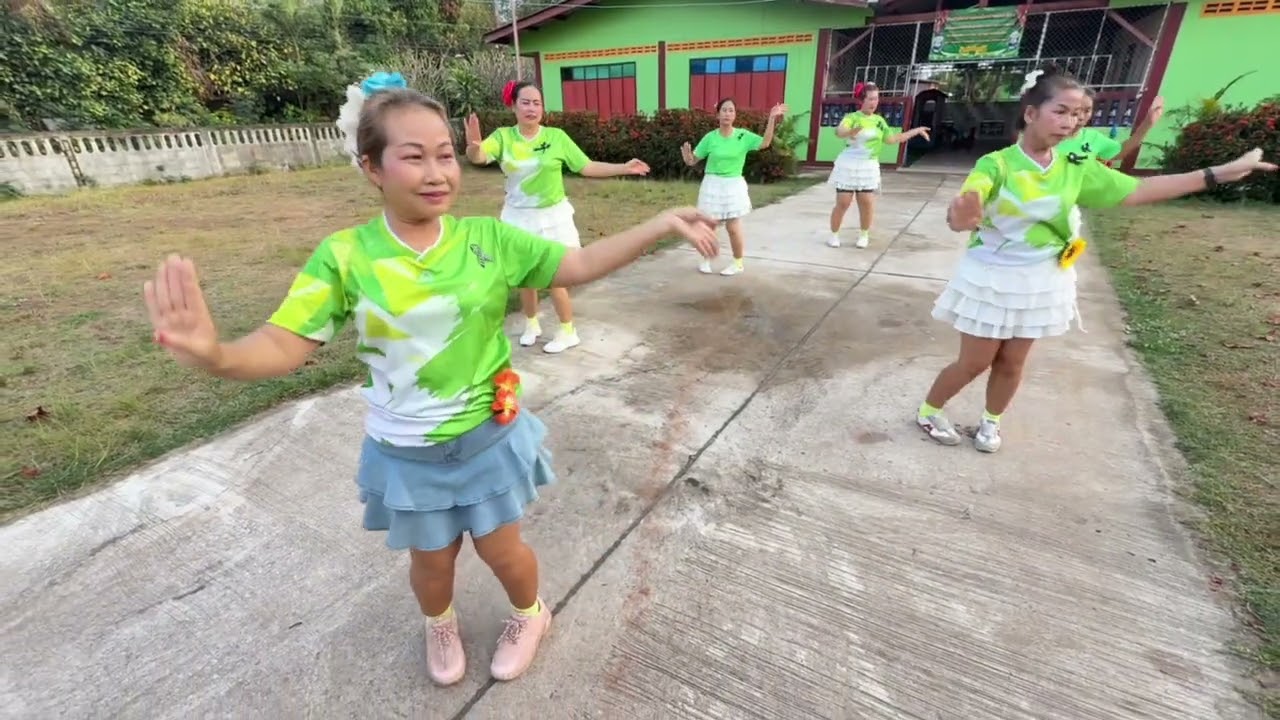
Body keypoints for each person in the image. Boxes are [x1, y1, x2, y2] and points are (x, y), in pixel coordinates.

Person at [142, 72, 719, 686]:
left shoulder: (487, 239)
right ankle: (438, 622)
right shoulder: (345, 256)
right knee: (432, 563)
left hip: (486, 438)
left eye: (445, 155)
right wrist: (217, 356)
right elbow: (285, 342)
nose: (437, 172)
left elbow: (574, 264)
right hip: (406, 449)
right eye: (413, 157)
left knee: (504, 552)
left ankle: (532, 614)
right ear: (372, 167)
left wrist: (658, 224)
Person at [917, 65, 1274, 453]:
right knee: (975, 362)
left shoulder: (1076, 166)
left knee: (1013, 363)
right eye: (1062, 111)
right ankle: (929, 410)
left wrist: (1218, 173)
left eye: (1079, 114)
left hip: (1044, 279)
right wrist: (962, 216)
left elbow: (1138, 189)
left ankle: (990, 422)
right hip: (992, 279)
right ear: (1031, 113)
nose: (1070, 122)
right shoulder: (997, 165)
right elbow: (967, 205)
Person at [464, 81, 650, 354]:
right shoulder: (503, 137)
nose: (531, 108)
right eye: (525, 102)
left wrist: (623, 167)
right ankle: (532, 324)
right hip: (518, 217)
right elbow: (479, 157)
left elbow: (585, 166)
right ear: (513, 106)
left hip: (553, 216)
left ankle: (567, 331)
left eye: (536, 103)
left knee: (556, 276)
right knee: (525, 276)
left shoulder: (557, 137)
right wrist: (473, 145)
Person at [680, 98, 787, 276]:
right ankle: (706, 258)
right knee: (710, 226)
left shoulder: (743, 136)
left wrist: (771, 119)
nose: (727, 114)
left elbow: (764, 143)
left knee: (733, 227)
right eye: (724, 110)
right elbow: (693, 160)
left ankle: (738, 263)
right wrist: (687, 158)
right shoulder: (710, 138)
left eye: (731, 110)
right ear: (717, 114)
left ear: (735, 115)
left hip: (733, 185)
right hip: (712, 184)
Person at [826, 82, 930, 249]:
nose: (874, 102)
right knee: (843, 202)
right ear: (862, 100)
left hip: (868, 166)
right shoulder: (852, 118)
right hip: (849, 164)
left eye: (876, 99)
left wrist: (915, 131)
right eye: (871, 99)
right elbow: (839, 132)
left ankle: (864, 234)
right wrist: (850, 132)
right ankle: (834, 234)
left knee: (866, 202)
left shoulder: (879, 121)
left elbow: (892, 139)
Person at [1060, 88, 1165, 168]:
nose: (1081, 117)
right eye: (1077, 111)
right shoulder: (1046, 137)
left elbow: (1120, 151)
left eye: (1087, 111)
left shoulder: (1093, 137)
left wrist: (1147, 124)